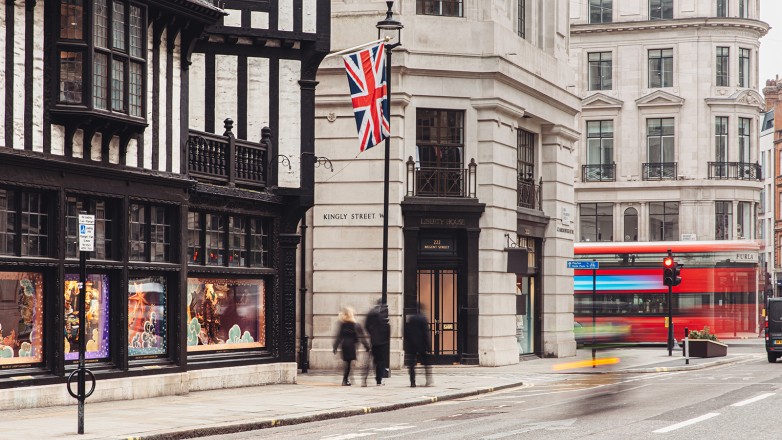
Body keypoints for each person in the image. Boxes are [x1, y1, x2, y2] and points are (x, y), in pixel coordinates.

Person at [333, 306, 368, 386]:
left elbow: (339, 336)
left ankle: (348, 379)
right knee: (348, 363)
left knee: (348, 363)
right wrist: (366, 346)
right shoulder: (356, 325)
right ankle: (345, 380)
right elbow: (362, 336)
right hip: (351, 346)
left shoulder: (343, 325)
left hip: (344, 345)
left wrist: (335, 346)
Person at [363, 300, 390, 386]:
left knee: (372, 360)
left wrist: (372, 333)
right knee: (380, 361)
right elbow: (386, 326)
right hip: (383, 341)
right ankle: (379, 380)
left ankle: (365, 379)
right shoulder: (383, 312)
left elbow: (366, 325)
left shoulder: (371, 312)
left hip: (374, 340)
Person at [404, 302, 432, 387]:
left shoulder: (411, 319)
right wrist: (428, 346)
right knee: (426, 363)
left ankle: (412, 382)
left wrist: (407, 343)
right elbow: (425, 334)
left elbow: (406, 332)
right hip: (422, 345)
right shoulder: (423, 319)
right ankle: (428, 380)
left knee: (412, 365)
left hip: (412, 345)